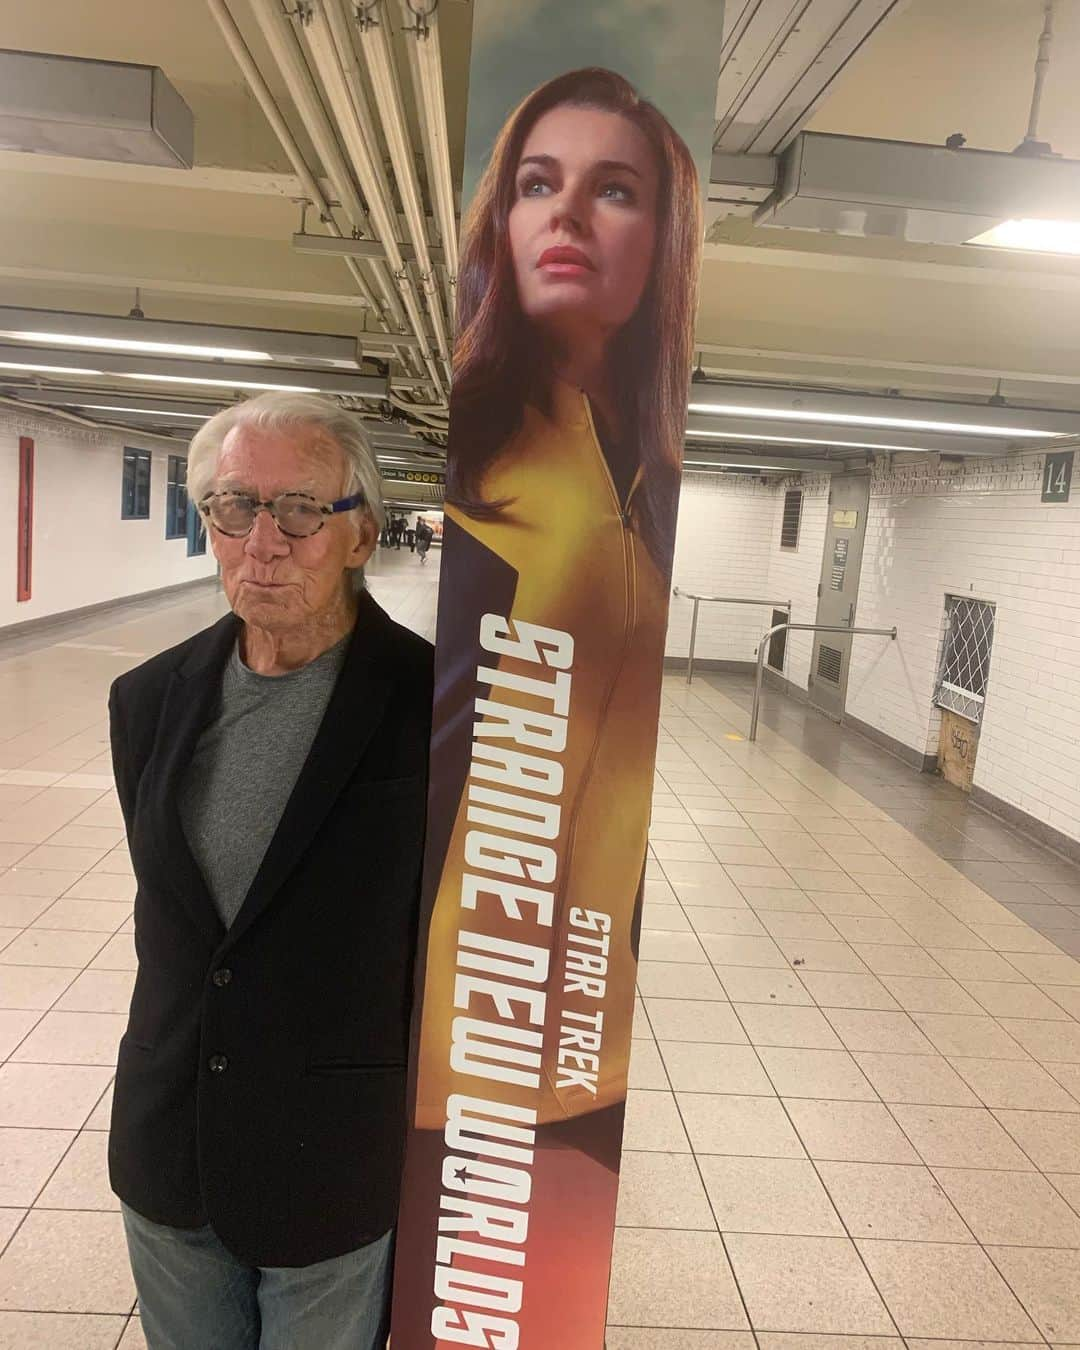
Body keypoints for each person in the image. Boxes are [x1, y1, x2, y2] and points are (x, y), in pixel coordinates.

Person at [107, 392, 433, 1350]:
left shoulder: (442, 708)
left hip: (329, 1149)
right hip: (171, 1137)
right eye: (235, 506)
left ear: (362, 533)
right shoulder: (147, 699)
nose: (264, 541)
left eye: (300, 509)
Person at [412, 66, 701, 1133]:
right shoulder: (486, 457)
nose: (569, 212)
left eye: (615, 190)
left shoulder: (647, 478)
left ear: (662, 241)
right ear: (506, 214)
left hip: (588, 1027)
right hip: (470, 1023)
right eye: (538, 182)